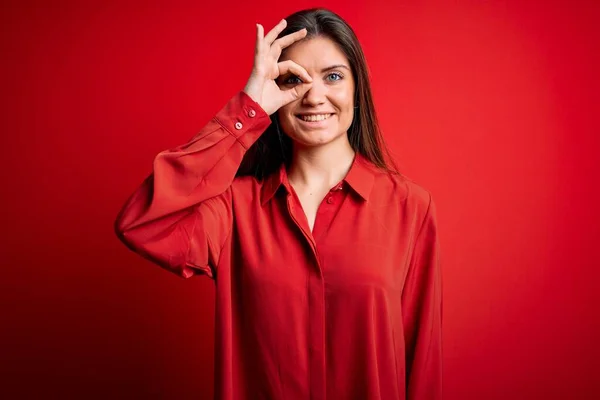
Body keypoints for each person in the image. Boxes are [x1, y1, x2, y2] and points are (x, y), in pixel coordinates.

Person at [114, 7, 442, 400]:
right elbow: (141, 222)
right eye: (294, 80)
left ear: (358, 88)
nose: (314, 96)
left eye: (333, 76)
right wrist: (248, 109)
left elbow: (421, 360)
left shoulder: (410, 207)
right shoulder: (233, 209)